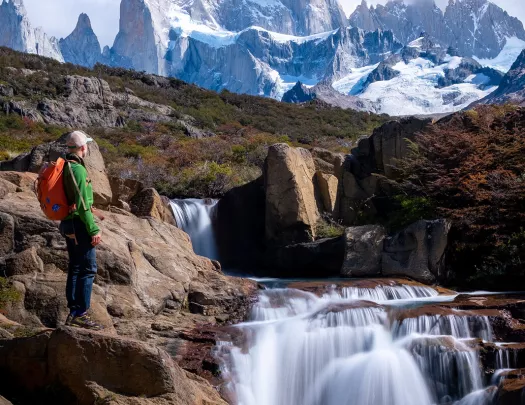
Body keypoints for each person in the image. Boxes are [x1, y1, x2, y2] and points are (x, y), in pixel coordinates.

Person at [59, 131, 103, 330]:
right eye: (88, 146)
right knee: (87, 269)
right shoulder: (77, 169)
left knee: (76, 266)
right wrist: (94, 229)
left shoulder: (64, 166)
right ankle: (80, 313)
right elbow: (83, 204)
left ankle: (74, 312)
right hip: (78, 226)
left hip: (69, 224)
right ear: (83, 148)